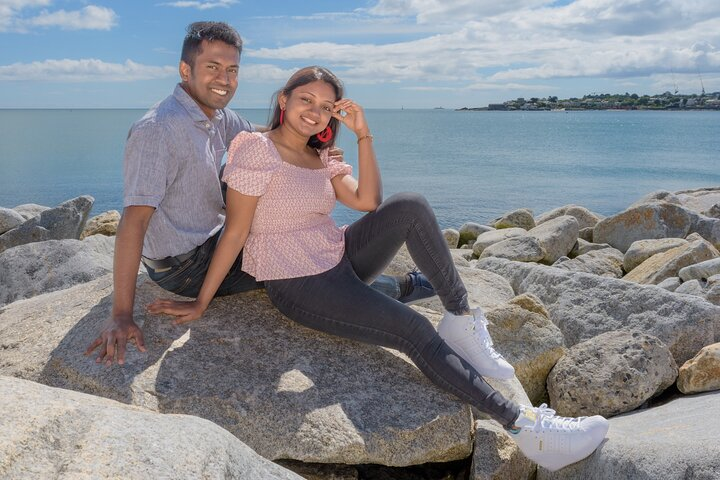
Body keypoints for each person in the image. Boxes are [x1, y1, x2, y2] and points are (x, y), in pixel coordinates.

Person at [147, 65, 610, 472]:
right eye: (306, 99)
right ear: (283, 100)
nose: (315, 111)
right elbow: (234, 232)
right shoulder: (254, 150)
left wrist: (364, 134)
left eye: (327, 106)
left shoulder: (321, 155)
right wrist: (202, 302)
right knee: (411, 331)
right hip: (300, 283)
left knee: (409, 205)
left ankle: (462, 319)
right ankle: (530, 431)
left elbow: (367, 202)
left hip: (337, 254)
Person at [84, 22, 433, 367]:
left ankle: (395, 288)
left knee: (296, 229)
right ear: (185, 69)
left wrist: (312, 149)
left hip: (211, 236)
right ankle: (401, 289)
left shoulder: (219, 116)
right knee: (304, 263)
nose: (224, 79)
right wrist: (121, 314)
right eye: (212, 67)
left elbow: (270, 134)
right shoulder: (158, 129)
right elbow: (134, 221)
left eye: (232, 70)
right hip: (185, 265)